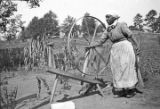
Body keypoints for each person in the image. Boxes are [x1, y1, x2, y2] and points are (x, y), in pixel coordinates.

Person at [86, 14, 140, 98]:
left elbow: (130, 35)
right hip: (115, 49)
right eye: (106, 17)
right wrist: (91, 45)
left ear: (114, 17)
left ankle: (131, 90)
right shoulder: (108, 29)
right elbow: (101, 41)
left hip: (125, 47)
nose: (106, 19)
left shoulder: (121, 25)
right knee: (116, 68)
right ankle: (121, 90)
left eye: (108, 17)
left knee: (126, 67)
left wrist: (137, 45)